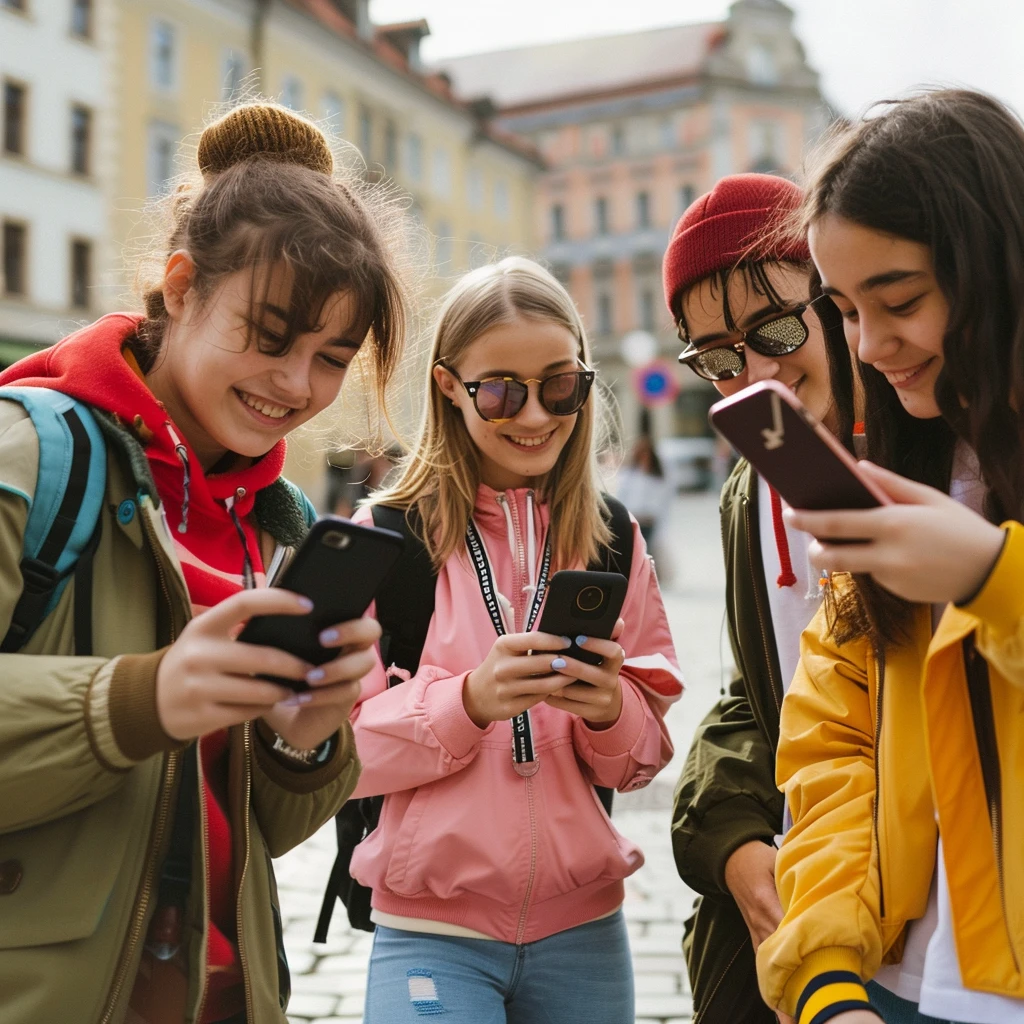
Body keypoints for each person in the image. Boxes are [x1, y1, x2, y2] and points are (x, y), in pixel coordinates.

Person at [0, 103, 407, 1023]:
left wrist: (303, 738)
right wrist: (140, 701)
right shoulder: (27, 461)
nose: (296, 386)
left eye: (331, 357)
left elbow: (262, 831)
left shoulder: (278, 529)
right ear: (180, 286)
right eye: (267, 339)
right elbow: (145, 719)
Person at [345, 257, 684, 1023]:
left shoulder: (614, 540)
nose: (534, 416)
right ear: (447, 386)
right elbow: (333, 756)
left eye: (560, 387)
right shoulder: (385, 542)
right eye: (500, 390)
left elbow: (644, 757)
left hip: (587, 932)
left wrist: (610, 712)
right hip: (430, 931)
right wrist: (465, 703)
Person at [756, 89, 1024, 1024]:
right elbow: (834, 749)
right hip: (902, 995)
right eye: (844, 309)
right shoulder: (900, 472)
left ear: (996, 266)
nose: (872, 344)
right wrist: (828, 981)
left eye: (900, 299)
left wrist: (992, 580)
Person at [665, 173, 850, 1024]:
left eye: (775, 327)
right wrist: (734, 847)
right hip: (796, 901)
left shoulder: (940, 456)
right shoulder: (752, 487)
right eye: (718, 357)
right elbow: (759, 693)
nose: (757, 371)